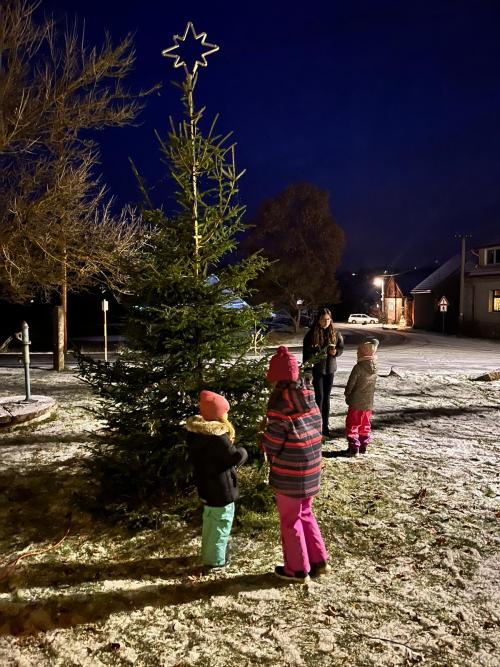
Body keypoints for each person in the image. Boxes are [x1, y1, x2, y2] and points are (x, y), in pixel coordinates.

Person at [261, 345, 330, 584]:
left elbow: (273, 443)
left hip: (290, 472)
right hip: (311, 468)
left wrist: (264, 443)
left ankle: (297, 569)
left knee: (290, 520)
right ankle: (318, 560)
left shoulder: (280, 407)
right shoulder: (309, 398)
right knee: (306, 512)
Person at [185, 390, 248, 569]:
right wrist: (243, 451)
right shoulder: (218, 438)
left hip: (206, 488)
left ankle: (209, 555)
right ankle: (216, 561)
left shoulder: (195, 433)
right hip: (222, 491)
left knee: (210, 522)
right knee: (222, 523)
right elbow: (233, 458)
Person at [302, 307, 344, 438]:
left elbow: (341, 347)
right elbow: (306, 355)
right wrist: (308, 372)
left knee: (326, 398)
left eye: (327, 319)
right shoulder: (311, 334)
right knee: (319, 397)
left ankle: (325, 426)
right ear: (318, 320)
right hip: (317, 370)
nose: (325, 322)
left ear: (330, 320)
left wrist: (336, 352)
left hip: (330, 369)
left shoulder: (335, 333)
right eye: (323, 319)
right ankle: (317, 425)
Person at [344, 339, 379, 457]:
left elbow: (351, 384)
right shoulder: (375, 368)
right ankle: (364, 445)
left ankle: (353, 448)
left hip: (356, 402)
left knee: (353, 424)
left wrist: (347, 394)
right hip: (368, 403)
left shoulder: (358, 368)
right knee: (365, 424)